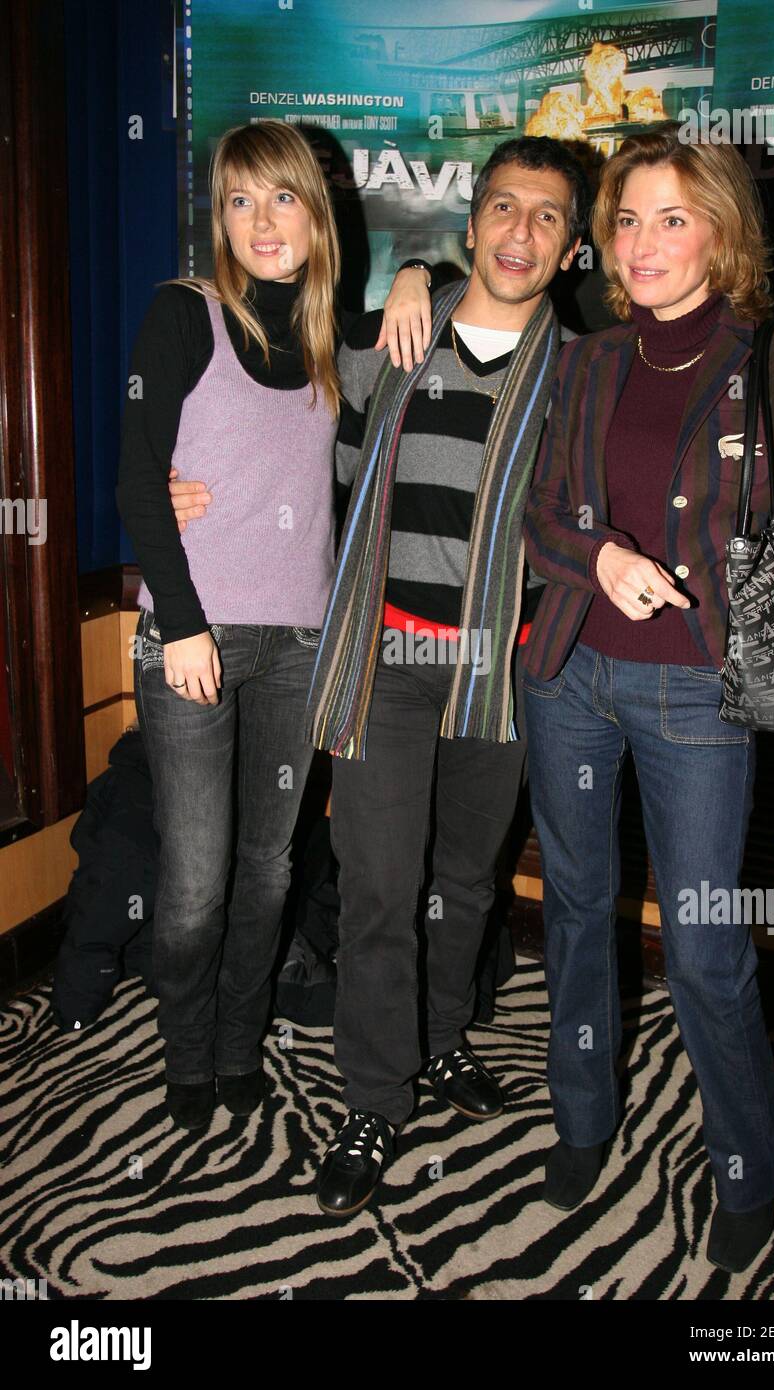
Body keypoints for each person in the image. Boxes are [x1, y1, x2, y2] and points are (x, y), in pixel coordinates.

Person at [521, 123, 774, 1271]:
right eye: (625, 219)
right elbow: (537, 515)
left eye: (672, 216)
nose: (641, 241)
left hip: (701, 699)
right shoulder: (582, 359)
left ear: (722, 233)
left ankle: (745, 1163)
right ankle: (582, 1118)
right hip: (569, 676)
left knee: (710, 948)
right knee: (573, 912)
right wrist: (598, 560)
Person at [116, 120, 430, 1130]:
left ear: (315, 214)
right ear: (220, 215)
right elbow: (135, 481)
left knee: (270, 870)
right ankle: (187, 1048)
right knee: (197, 882)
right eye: (240, 200)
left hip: (300, 646)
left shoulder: (333, 343)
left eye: (282, 197)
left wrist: (423, 268)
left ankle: (240, 1038)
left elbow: (471, 309)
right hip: (193, 639)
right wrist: (188, 623)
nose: (261, 220)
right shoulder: (182, 316)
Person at [303, 135, 586, 1217]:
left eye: (547, 216)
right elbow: (324, 476)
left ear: (569, 249)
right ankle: (375, 1095)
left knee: (464, 883)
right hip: (387, 659)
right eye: (503, 208)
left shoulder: (578, 372)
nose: (520, 231)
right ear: (468, 225)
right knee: (379, 887)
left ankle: (439, 1041)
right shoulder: (394, 340)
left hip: (495, 668)